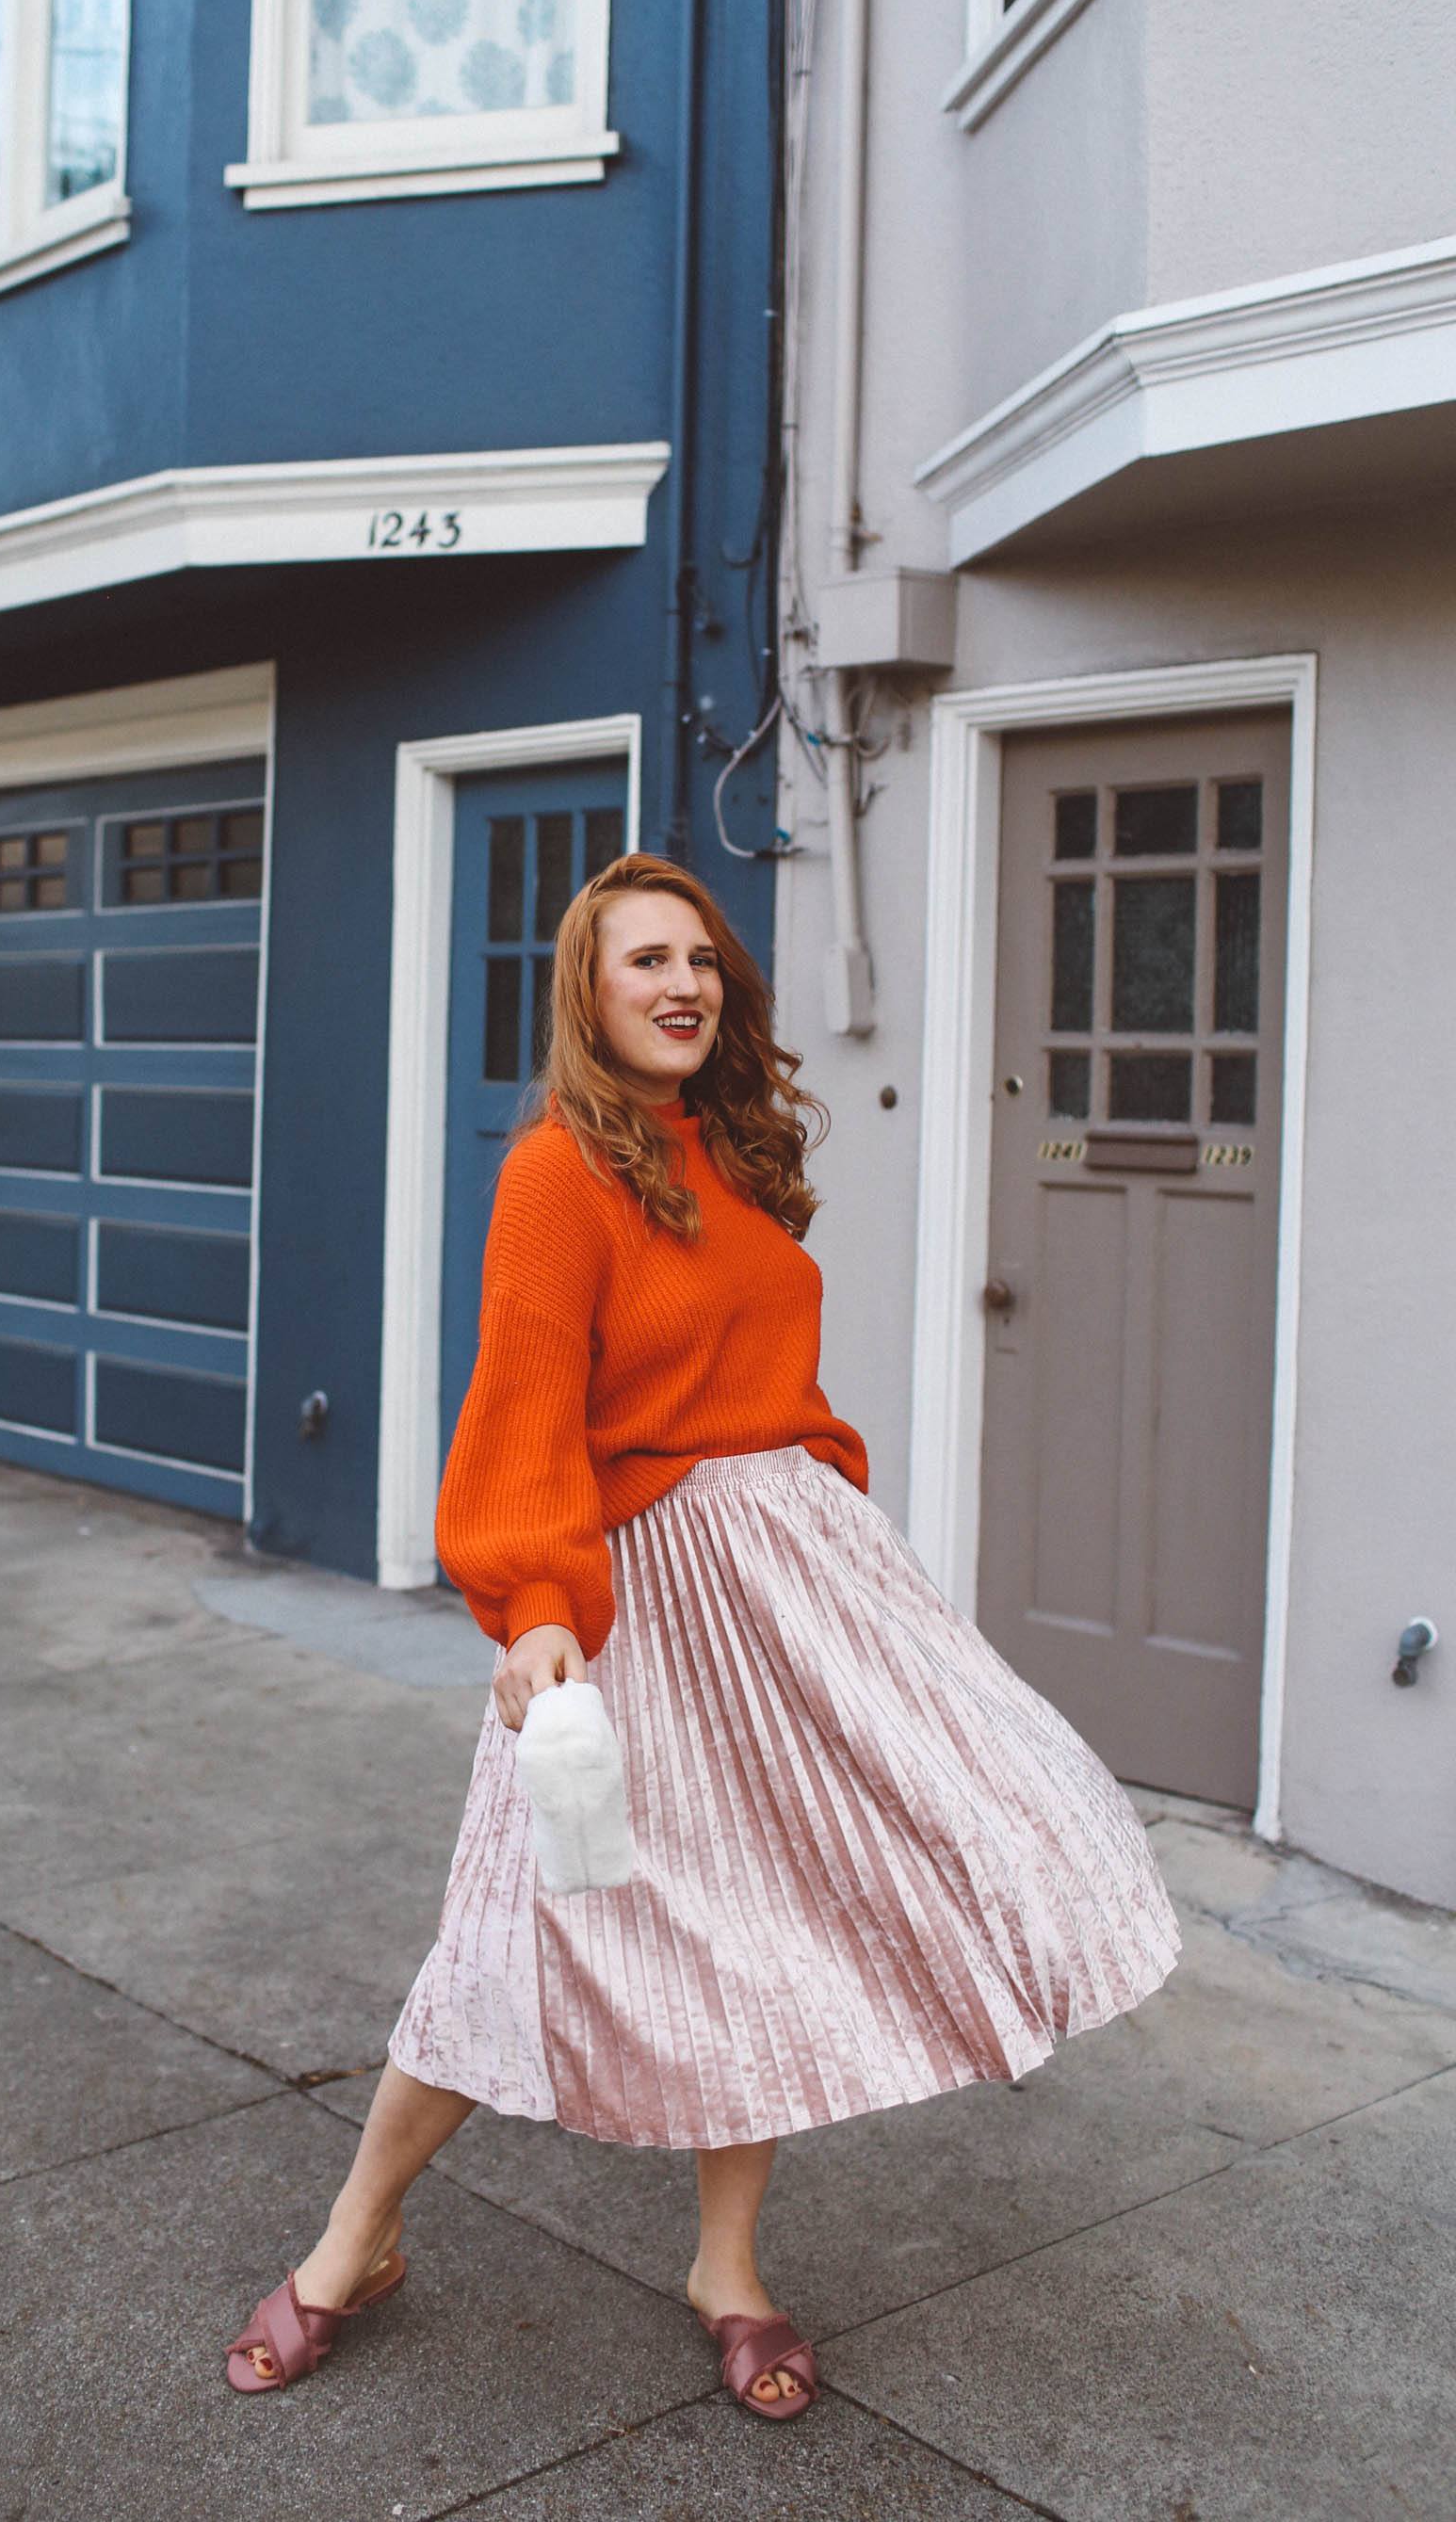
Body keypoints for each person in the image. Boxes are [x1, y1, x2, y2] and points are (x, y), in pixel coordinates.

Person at [226, 852, 1181, 2419]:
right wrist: (534, 1610)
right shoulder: (556, 1173)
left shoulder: (735, 1150)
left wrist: (828, 1494)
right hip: (629, 1603)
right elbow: (522, 1409)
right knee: (511, 1929)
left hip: (788, 1585)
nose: (681, 986)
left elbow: (773, 1383)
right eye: (643, 963)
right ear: (590, 998)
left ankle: (725, 2269)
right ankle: (355, 2238)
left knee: (772, 1923)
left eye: (701, 962)